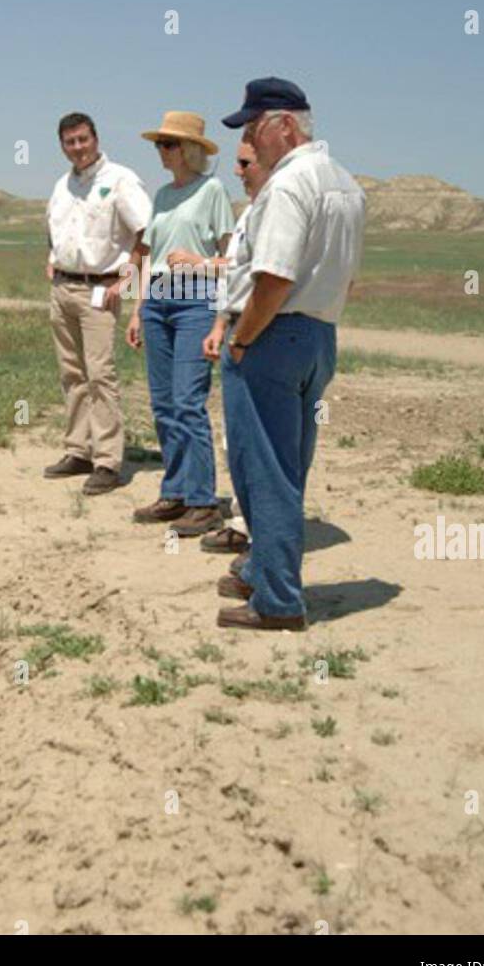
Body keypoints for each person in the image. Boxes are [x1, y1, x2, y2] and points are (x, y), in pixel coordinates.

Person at [213, 78, 365, 631]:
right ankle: (263, 565)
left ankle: (277, 601)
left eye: (254, 127)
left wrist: (243, 337)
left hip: (272, 336)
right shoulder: (346, 184)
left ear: (285, 126)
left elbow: (273, 278)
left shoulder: (287, 186)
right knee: (286, 465)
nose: (251, 138)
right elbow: (347, 280)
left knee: (263, 469)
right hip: (319, 337)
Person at [126, 111, 234, 535]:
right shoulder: (161, 195)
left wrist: (198, 262)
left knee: (189, 403)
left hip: (195, 303)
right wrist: (137, 308)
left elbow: (234, 261)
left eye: (168, 144)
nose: (161, 151)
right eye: (159, 144)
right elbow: (147, 257)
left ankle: (203, 500)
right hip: (156, 302)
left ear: (189, 150)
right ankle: (175, 491)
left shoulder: (213, 191)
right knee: (163, 404)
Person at [45, 111, 152, 495]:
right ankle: (79, 449)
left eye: (83, 140)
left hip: (99, 288)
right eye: (69, 142)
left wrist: (127, 277)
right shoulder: (62, 186)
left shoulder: (120, 180)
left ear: (96, 138)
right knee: (71, 373)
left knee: (100, 374)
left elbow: (145, 230)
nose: (77, 148)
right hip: (63, 288)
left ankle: (107, 459)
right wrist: (52, 258)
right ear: (62, 146)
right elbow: (54, 231)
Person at [199, 137, 270, 551]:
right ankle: (245, 522)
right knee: (237, 436)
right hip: (238, 323)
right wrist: (221, 323)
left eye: (245, 163)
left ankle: (261, 530)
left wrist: (243, 334)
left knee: (261, 437)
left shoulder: (278, 210)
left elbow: (270, 277)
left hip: (262, 330)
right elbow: (238, 277)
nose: (237, 171)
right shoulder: (250, 213)